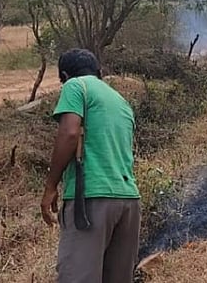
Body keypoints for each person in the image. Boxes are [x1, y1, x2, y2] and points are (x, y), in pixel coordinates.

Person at [40, 48, 141, 282]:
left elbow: (70, 133)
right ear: (100, 72)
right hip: (129, 202)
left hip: (92, 200)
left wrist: (51, 186)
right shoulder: (120, 100)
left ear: (64, 76)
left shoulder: (76, 86)